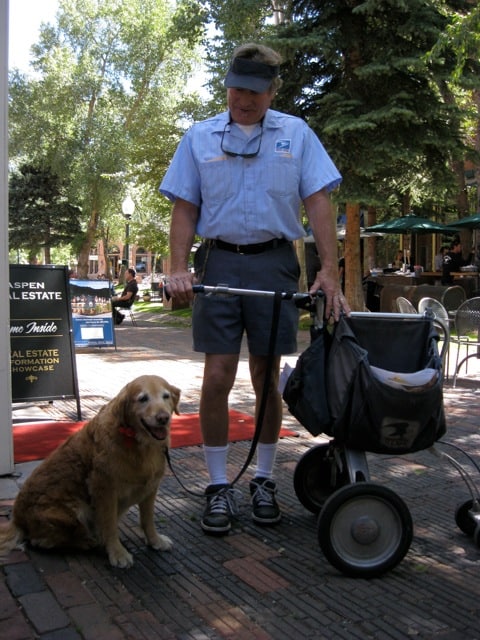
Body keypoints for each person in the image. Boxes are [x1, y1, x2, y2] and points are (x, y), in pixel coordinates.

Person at [160, 42, 350, 535]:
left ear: (272, 92)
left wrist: (329, 271)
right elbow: (184, 206)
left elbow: (319, 202)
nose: (244, 100)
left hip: (274, 264)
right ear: (227, 85)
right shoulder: (200, 138)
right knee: (218, 374)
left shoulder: (296, 134)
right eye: (237, 89)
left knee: (266, 378)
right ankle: (218, 486)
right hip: (220, 262)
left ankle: (263, 480)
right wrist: (177, 266)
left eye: (255, 92)